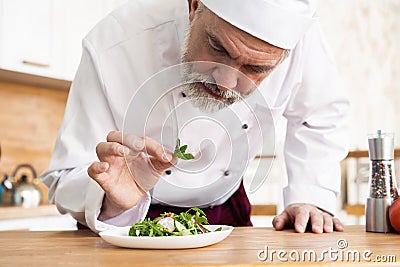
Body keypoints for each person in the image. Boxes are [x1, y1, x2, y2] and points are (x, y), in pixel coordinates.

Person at [41, 0, 349, 234]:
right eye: (218, 48)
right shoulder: (114, 42)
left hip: (226, 214)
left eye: (256, 69)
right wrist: (112, 198)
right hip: (124, 225)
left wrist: (309, 196)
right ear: (193, 6)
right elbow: (66, 176)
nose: (226, 83)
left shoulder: (300, 39)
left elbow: (320, 116)